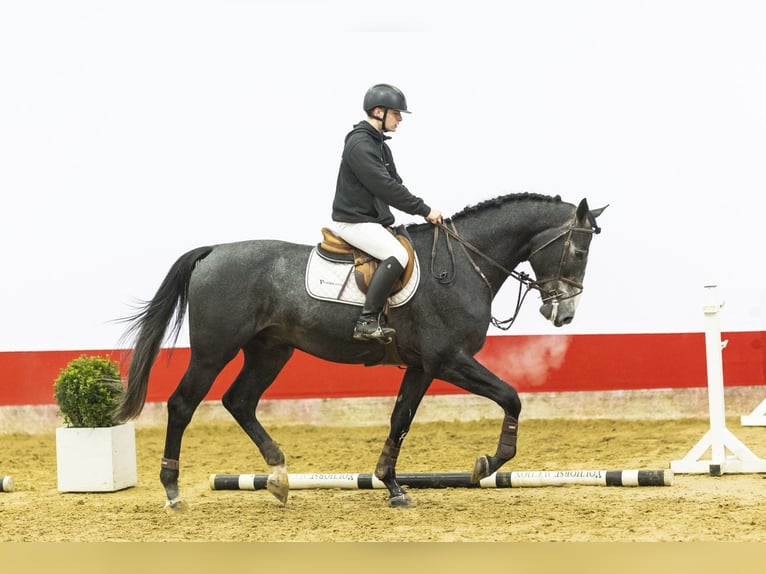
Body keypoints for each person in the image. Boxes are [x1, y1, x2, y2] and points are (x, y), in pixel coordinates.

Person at [331, 83, 443, 342]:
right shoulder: (360, 144)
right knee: (397, 254)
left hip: (372, 222)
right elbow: (385, 187)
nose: (400, 119)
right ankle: (367, 320)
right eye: (396, 113)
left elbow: (396, 184)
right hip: (354, 222)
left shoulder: (380, 146)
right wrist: (424, 210)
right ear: (378, 111)